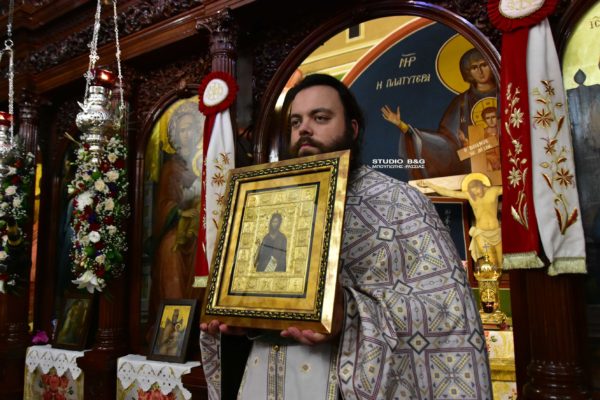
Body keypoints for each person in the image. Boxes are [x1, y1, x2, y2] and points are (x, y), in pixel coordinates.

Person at [200, 74, 492, 399]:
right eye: (296, 122)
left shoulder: (399, 203)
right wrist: (241, 317)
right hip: (259, 380)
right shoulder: (266, 205)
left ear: (352, 129)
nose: (304, 129)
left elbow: (445, 314)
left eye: (320, 118)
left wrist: (350, 316)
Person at [381, 48, 497, 179]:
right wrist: (403, 127)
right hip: (474, 172)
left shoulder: (508, 92)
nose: (480, 72)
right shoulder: (461, 103)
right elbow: (447, 144)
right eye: (474, 68)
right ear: (468, 72)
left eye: (483, 65)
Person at [150, 101, 202, 317]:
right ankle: (175, 317)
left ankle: (199, 317)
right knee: (169, 247)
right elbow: (163, 205)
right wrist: (180, 212)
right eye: (182, 130)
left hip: (200, 223)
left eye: (190, 128)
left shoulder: (204, 160)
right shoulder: (170, 167)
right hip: (176, 225)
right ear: (176, 135)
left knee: (202, 245)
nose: (187, 134)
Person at [422, 173, 503, 268]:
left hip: (496, 231)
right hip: (480, 232)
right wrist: (429, 184)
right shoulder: (470, 195)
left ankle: (499, 274)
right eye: (473, 192)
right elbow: (447, 192)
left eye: (477, 190)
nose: (476, 193)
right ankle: (493, 275)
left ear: (481, 185)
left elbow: (511, 186)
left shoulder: (494, 190)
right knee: (489, 259)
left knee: (501, 258)